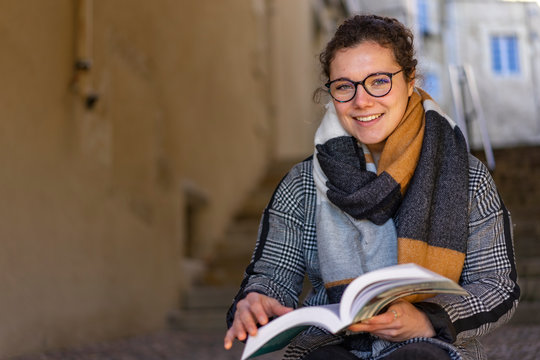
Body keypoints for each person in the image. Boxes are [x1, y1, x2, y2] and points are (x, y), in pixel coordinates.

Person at [223, 14, 519, 360]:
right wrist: (256, 300)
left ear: (410, 81)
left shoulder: (466, 177)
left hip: (435, 346)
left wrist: (429, 319)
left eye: (378, 81)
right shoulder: (302, 184)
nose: (361, 101)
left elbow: (497, 284)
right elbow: (273, 274)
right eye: (345, 86)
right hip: (331, 347)